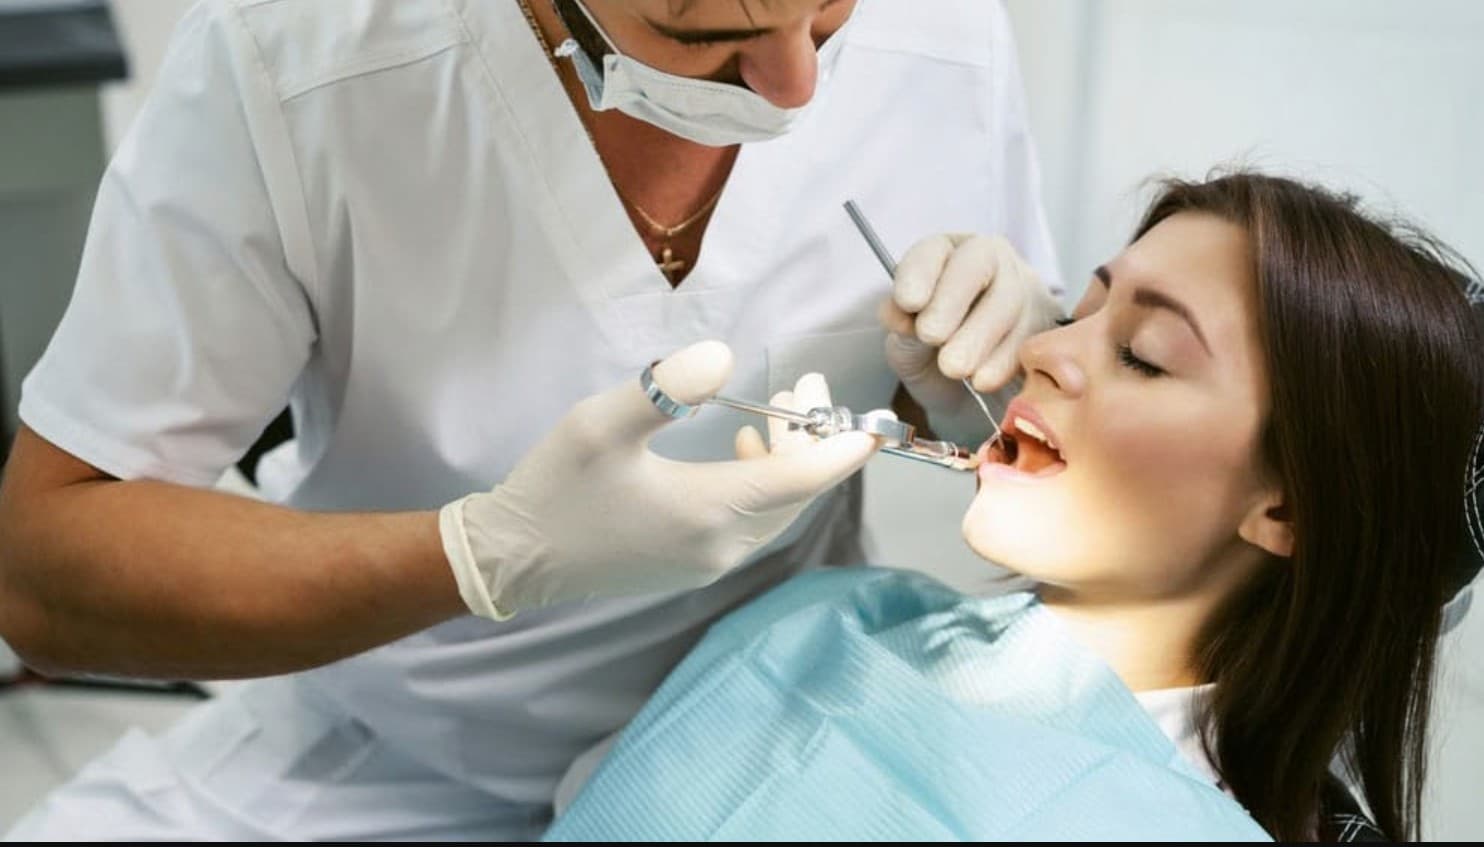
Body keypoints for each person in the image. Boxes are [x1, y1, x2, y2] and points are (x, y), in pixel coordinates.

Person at [0, 0, 1064, 840]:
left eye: (829, 11)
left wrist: (974, 380)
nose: (798, 87)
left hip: (774, 725)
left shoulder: (948, 34)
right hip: (387, 752)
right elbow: (43, 572)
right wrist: (484, 553)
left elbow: (1024, 445)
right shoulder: (293, 60)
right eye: (703, 34)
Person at [543, 172, 1484, 842]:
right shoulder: (837, 616)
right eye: (1081, 313)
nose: (1043, 351)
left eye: (1143, 355)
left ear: (1288, 513)